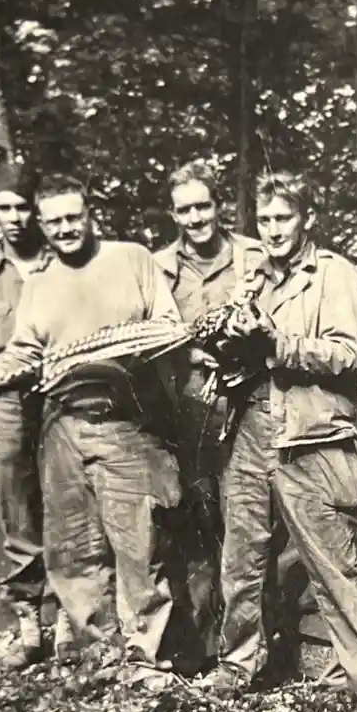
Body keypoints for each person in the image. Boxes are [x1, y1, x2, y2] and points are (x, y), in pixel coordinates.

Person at [0, 174, 191, 667]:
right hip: (63, 429)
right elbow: (23, 351)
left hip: (127, 423)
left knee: (138, 542)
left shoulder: (133, 260)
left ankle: (145, 656)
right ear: (43, 225)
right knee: (75, 548)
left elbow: (170, 326)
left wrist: (120, 348)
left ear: (89, 214)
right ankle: (101, 656)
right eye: (54, 221)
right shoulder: (38, 286)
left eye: (72, 217)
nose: (65, 228)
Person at [204, 169, 357, 712]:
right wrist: (226, 344)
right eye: (264, 220)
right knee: (240, 557)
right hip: (249, 428)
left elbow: (345, 354)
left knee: (335, 565)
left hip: (309, 435)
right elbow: (239, 353)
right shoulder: (256, 278)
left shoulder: (334, 274)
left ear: (307, 219)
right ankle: (238, 665)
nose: (272, 229)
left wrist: (273, 344)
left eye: (282, 218)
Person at [0, 161, 67, 668]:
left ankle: (71, 615)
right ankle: (30, 622)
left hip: (62, 397)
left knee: (69, 502)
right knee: (18, 508)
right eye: (5, 208)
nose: (16, 218)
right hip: (6, 405)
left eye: (24, 207)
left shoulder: (64, 264)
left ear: (38, 212)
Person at [154, 160, 265, 502]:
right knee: (195, 495)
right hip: (187, 399)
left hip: (249, 396)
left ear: (219, 205)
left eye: (203, 206)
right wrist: (186, 353)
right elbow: (151, 334)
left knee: (250, 496)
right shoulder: (159, 267)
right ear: (173, 215)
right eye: (184, 210)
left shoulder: (253, 255)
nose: (196, 218)